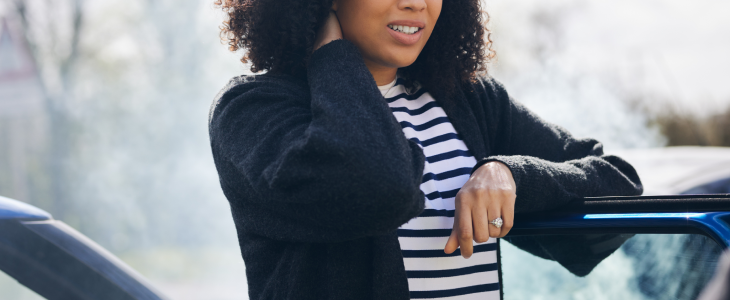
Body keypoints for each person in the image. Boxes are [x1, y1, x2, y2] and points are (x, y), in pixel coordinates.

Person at [207, 0, 643, 299]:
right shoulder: (252, 111)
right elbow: (379, 185)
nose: (416, 2)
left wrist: (510, 174)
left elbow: (621, 189)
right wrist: (333, 54)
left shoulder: (469, 100)